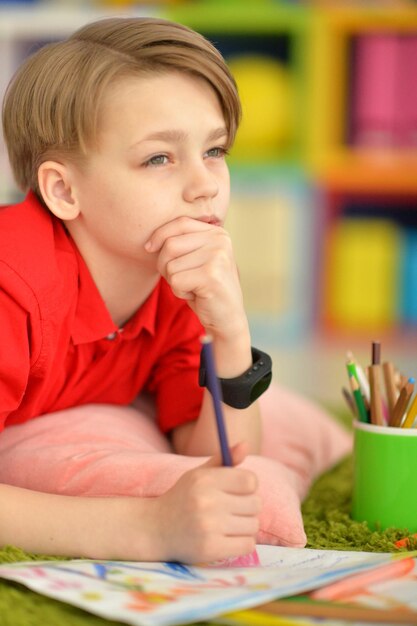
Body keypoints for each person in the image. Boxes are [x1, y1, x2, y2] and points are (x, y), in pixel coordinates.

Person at [0, 16, 271, 564]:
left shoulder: (185, 268)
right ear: (63, 189)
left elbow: (212, 449)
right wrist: (147, 526)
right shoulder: (13, 284)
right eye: (158, 158)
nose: (204, 187)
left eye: (215, 151)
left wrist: (233, 331)